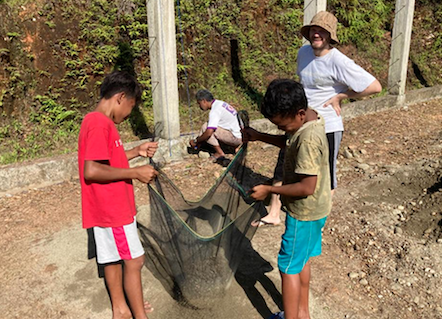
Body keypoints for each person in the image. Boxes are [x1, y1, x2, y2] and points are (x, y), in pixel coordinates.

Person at [256, 10, 382, 227]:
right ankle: (274, 212)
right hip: (299, 120)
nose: (317, 34)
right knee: (285, 161)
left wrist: (342, 96)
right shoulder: (303, 53)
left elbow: (374, 86)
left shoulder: (338, 61)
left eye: (322, 31)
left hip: (327, 126)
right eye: (314, 29)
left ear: (330, 36)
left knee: (324, 174)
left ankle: (318, 221)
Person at [243, 79, 331, 319]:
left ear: (299, 113)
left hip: (304, 213)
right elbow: (289, 141)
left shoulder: (308, 139)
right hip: (316, 211)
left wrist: (270, 190)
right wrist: (259, 136)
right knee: (301, 261)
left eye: (283, 126)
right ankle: (302, 314)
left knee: (288, 267)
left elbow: (306, 186)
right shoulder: (308, 120)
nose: (283, 130)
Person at [78, 70, 158, 319]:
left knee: (112, 258)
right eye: (131, 107)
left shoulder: (96, 121)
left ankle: (122, 308)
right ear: (121, 97)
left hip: (103, 207)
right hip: (114, 208)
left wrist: (136, 151)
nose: (129, 113)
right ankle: (138, 315)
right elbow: (91, 170)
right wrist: (135, 174)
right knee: (135, 260)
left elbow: (107, 159)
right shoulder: (100, 123)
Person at [189, 89, 242, 162]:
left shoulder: (215, 110)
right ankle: (201, 145)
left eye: (199, 103)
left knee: (206, 127)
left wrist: (196, 141)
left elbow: (209, 132)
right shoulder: (220, 103)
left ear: (204, 101)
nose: (199, 106)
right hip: (240, 134)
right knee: (208, 126)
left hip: (236, 138)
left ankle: (219, 153)